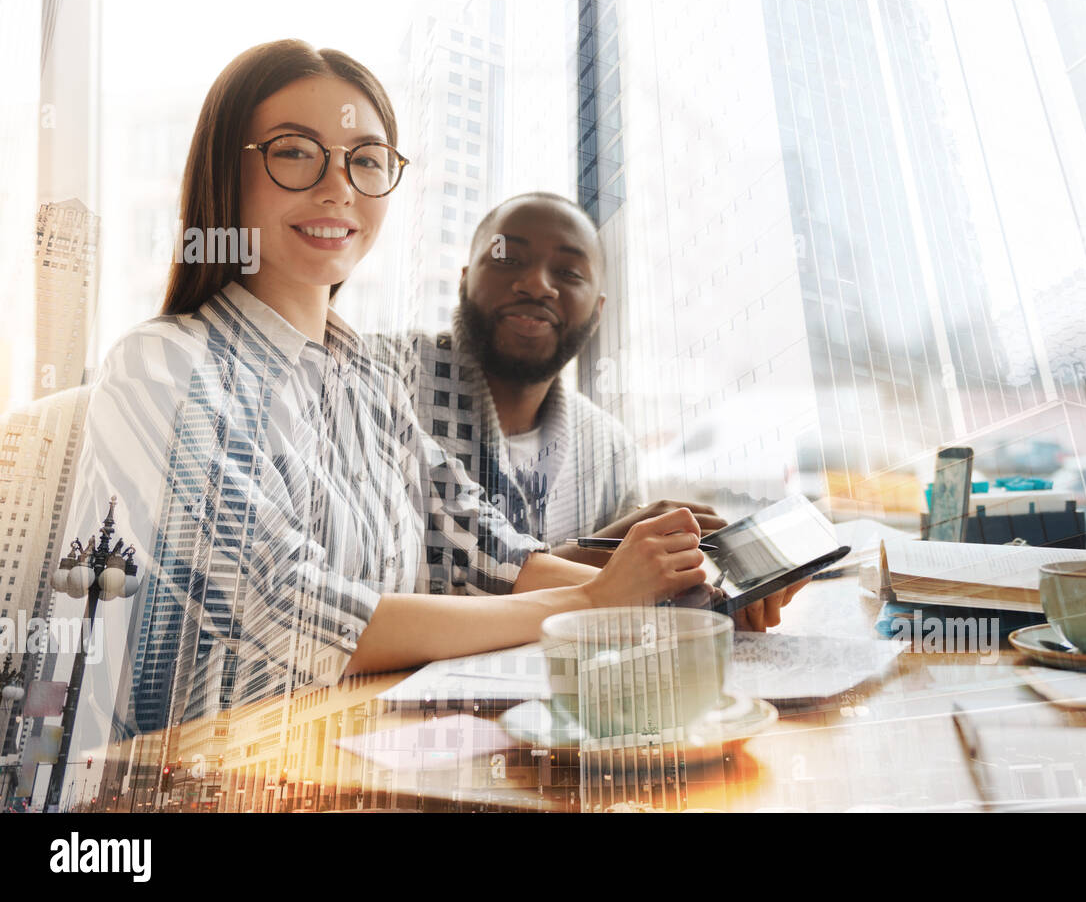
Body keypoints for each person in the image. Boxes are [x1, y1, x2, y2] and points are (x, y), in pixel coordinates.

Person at [59, 41, 707, 743]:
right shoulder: (159, 368)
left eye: (366, 160)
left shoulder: (367, 380)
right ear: (227, 168)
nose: (338, 187)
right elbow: (296, 615)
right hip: (176, 784)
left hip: (348, 754)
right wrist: (591, 602)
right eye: (296, 152)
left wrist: (676, 587)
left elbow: (487, 555)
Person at [371, 192, 801, 632]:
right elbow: (388, 600)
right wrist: (607, 548)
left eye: (569, 272)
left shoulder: (609, 449)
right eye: (507, 259)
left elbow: (625, 616)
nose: (537, 284)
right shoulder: (378, 377)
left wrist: (708, 606)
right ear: (464, 281)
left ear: (597, 312)